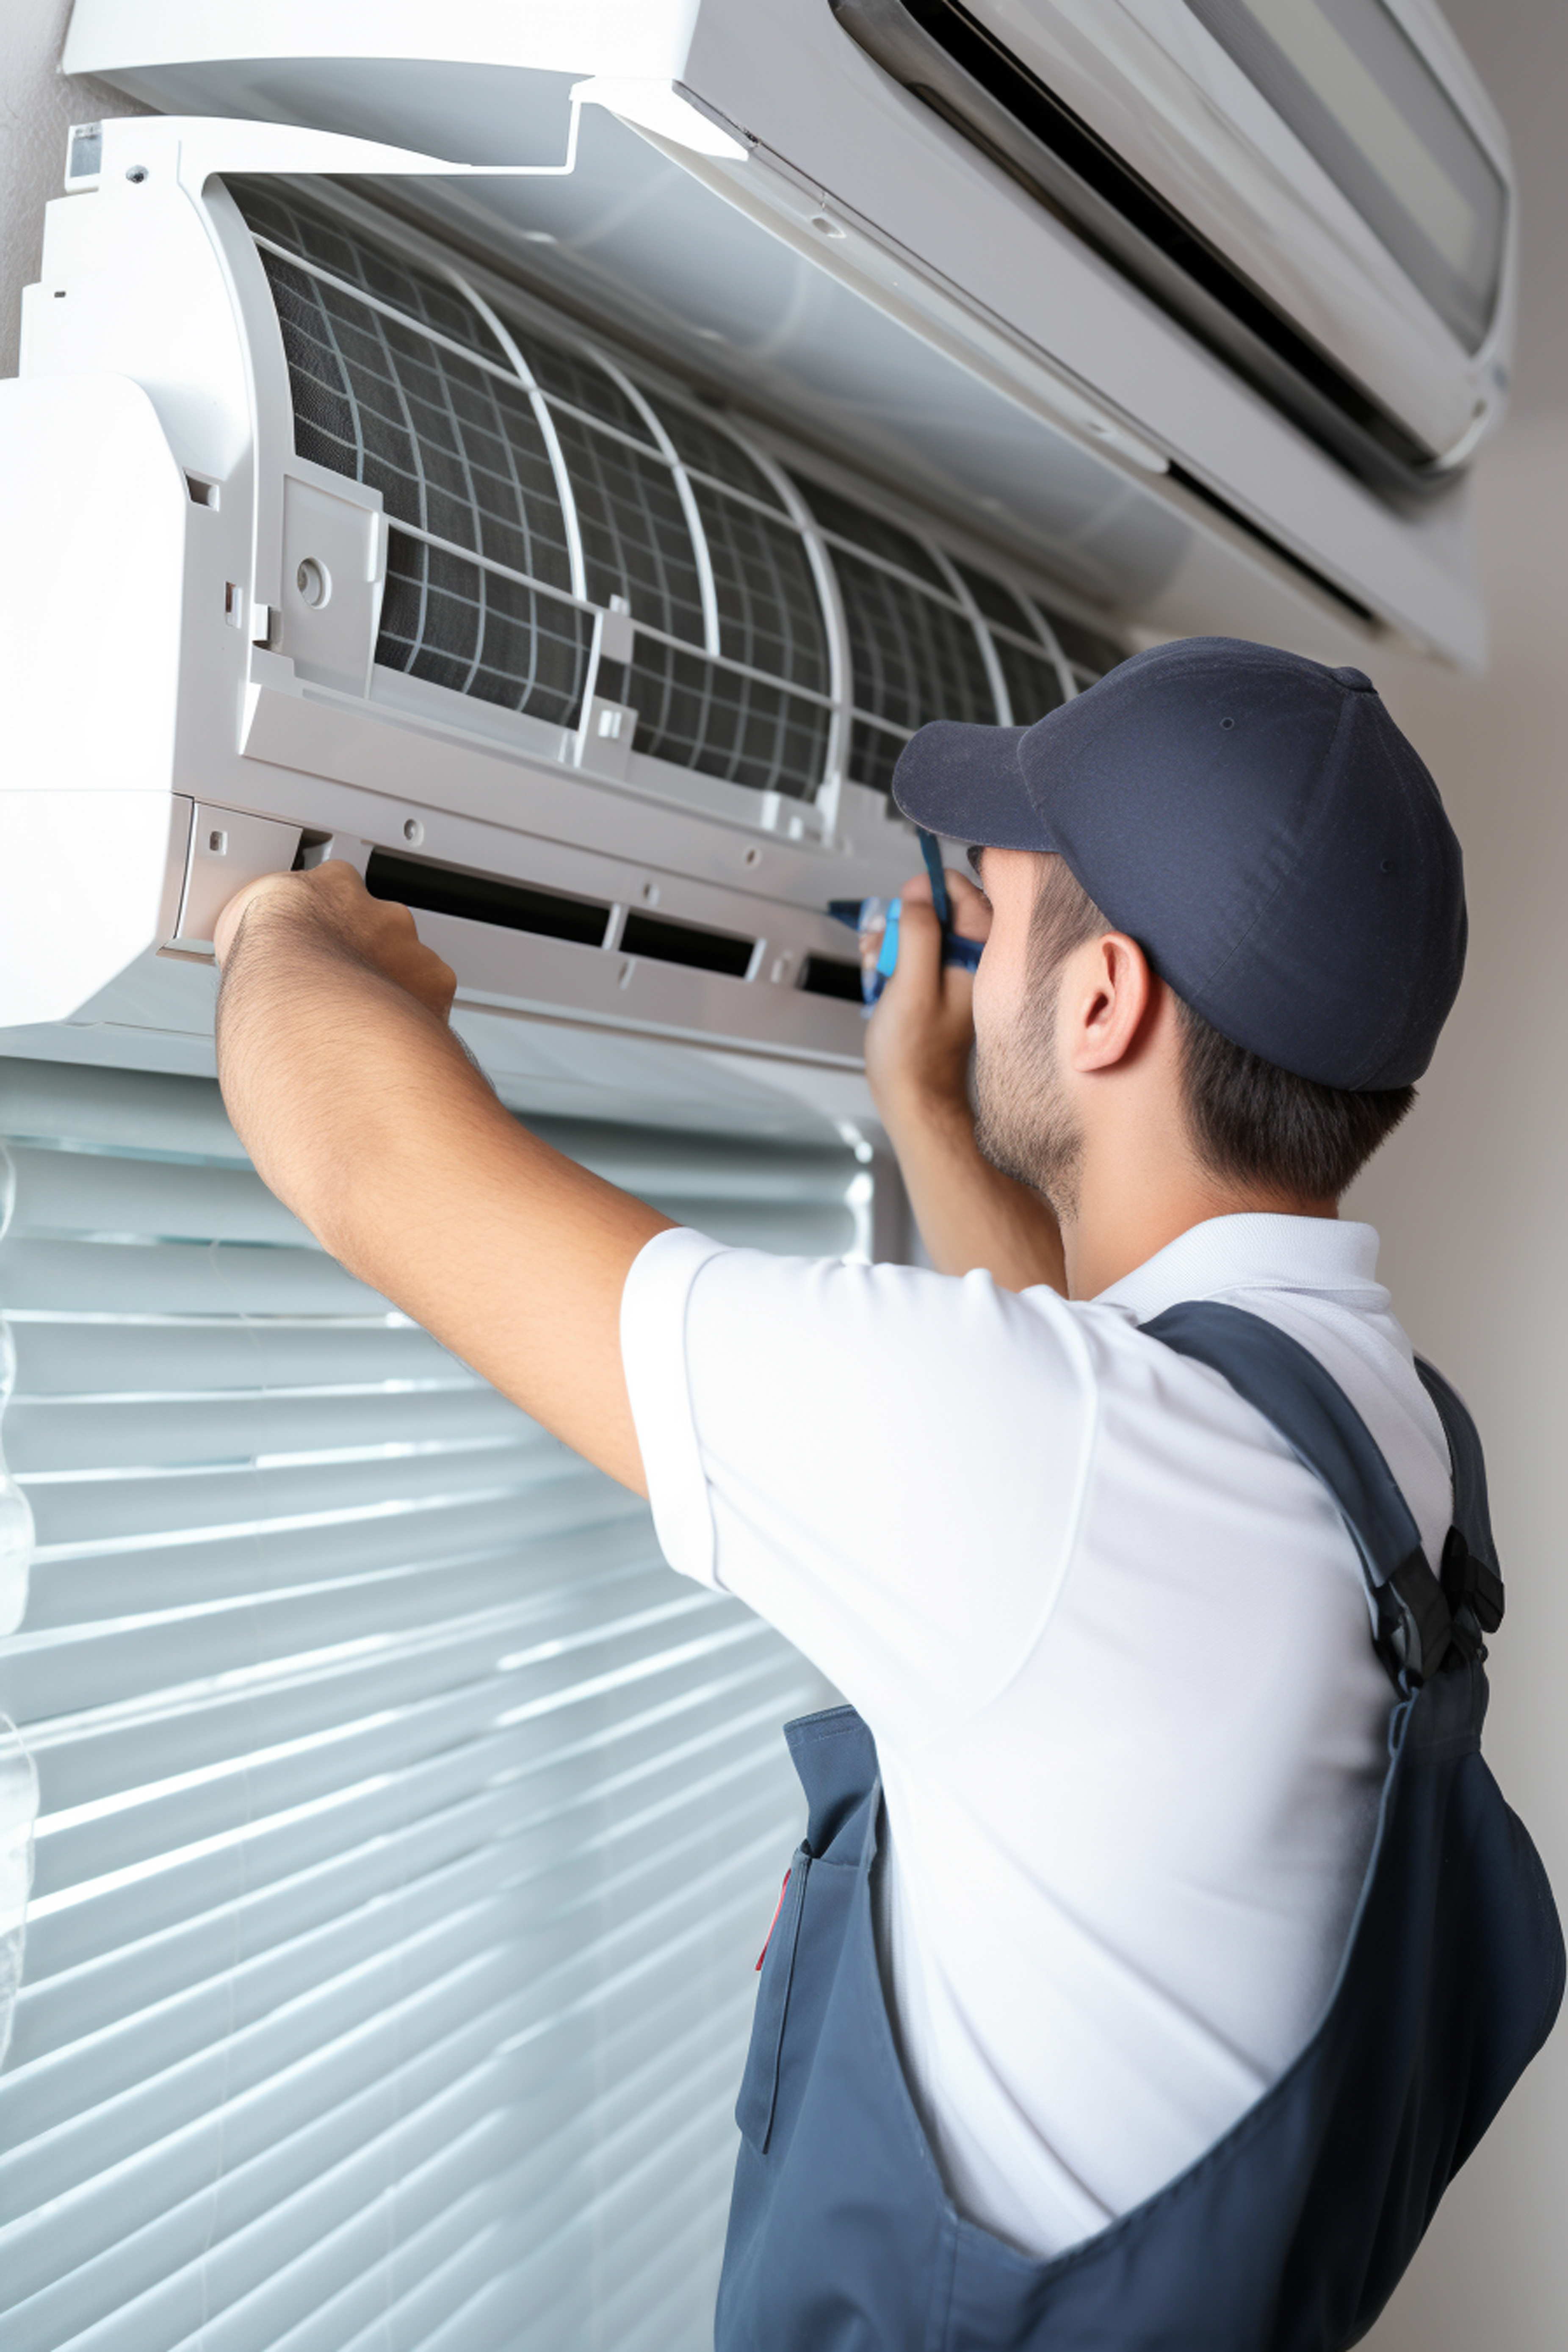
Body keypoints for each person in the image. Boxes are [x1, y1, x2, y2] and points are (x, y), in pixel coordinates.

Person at [212, 638, 1560, 2348]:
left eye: (994, 926)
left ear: (1099, 1005)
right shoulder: (1389, 1435)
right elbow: (1094, 1441)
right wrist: (933, 1116)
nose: (970, 951)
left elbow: (365, 1163)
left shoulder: (1061, 1465)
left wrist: (283, 923)